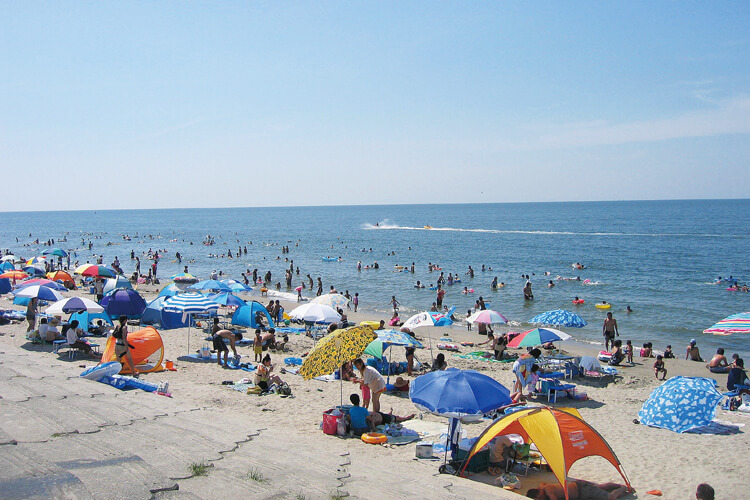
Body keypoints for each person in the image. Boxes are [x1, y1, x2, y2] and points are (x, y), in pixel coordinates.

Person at [525, 480, 631, 500]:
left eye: (540, 497)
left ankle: (624, 487)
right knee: (601, 487)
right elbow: (541, 483)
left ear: (539, 492)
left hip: (582, 490)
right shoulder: (543, 487)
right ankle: (621, 488)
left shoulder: (548, 491)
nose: (541, 499)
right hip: (579, 486)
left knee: (610, 497)